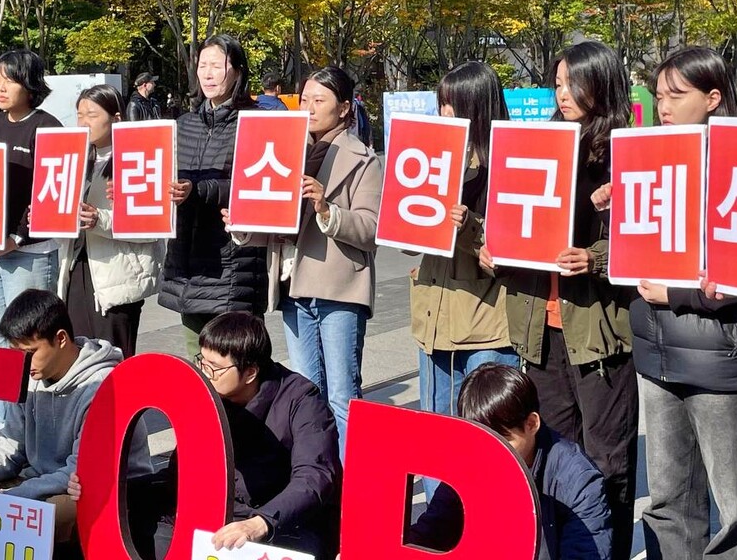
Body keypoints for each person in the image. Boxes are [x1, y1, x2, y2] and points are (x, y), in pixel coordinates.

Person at [593, 47, 737, 560]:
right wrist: (616, 208)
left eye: (677, 94)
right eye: (659, 94)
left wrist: (680, 294)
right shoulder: (652, 156)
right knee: (668, 501)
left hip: (720, 358)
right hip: (655, 354)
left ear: (714, 98)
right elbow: (641, 249)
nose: (663, 105)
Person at [481, 41, 637, 560]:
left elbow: (649, 248)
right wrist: (493, 248)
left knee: (607, 462)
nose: (562, 92)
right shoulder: (536, 142)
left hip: (598, 334)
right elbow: (512, 223)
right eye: (558, 81)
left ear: (602, 82)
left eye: (574, 82)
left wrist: (595, 257)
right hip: (537, 328)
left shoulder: (626, 151)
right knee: (551, 457)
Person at [68, 312, 342, 560]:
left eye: (215, 367)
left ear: (250, 372)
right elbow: (179, 477)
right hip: (212, 516)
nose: (204, 372)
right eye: (202, 360)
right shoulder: (208, 396)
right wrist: (108, 490)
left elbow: (315, 476)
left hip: (281, 524)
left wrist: (260, 523)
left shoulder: (302, 401)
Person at [223, 66, 381, 455]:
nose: (309, 107)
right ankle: (317, 476)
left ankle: (349, 488)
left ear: (344, 108)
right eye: (305, 99)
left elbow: (372, 229)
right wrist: (243, 224)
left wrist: (327, 208)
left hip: (338, 286)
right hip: (294, 286)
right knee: (307, 392)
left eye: (319, 100)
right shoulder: (285, 149)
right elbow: (277, 223)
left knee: (343, 395)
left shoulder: (365, 159)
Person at [0, 289, 153, 552]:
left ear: (61, 339)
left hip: (106, 492)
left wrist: (6, 498)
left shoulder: (102, 387)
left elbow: (79, 473)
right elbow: (11, 442)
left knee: (13, 517)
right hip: (44, 479)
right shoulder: (31, 377)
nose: (24, 362)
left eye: (30, 352)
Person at [407, 363, 612, 559]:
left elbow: (586, 552)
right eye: (482, 442)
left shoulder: (578, 480)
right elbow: (431, 531)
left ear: (531, 424)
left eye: (503, 441)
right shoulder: (470, 462)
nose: (490, 455)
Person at [410, 62, 518, 424]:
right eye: (441, 103)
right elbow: (408, 236)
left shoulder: (508, 161)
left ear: (477, 104)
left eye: (452, 103)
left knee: (490, 430)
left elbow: (513, 245)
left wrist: (469, 225)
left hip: (484, 319)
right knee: (436, 431)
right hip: (434, 316)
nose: (444, 112)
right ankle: (438, 487)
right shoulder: (430, 156)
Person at [0, 50, 62, 431]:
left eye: (10, 79)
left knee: (29, 344)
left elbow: (52, 197)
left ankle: (37, 434)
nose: (0, 87)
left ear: (31, 84)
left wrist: (16, 237)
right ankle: (10, 433)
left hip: (30, 253)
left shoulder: (49, 128)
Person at [159, 34, 267, 357]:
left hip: (232, 263)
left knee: (237, 364)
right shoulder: (183, 125)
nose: (207, 74)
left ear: (237, 70)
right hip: (187, 264)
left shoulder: (256, 123)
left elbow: (252, 186)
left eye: (216, 66)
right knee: (198, 367)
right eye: (202, 65)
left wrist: (198, 191)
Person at [56, 85, 169, 358]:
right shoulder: (77, 158)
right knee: (81, 361)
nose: (83, 122)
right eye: (79, 114)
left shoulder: (138, 158)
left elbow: (150, 227)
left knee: (114, 364)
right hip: (79, 268)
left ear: (117, 118)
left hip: (117, 276)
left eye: (92, 114)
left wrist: (100, 220)